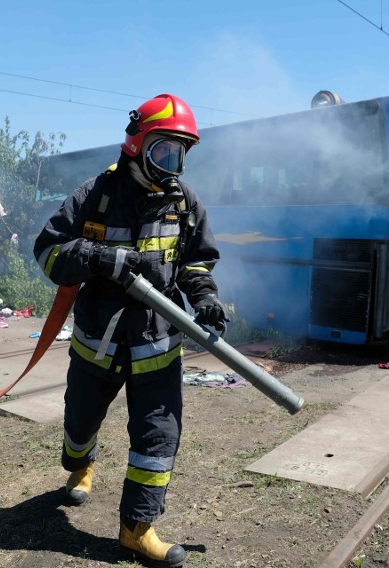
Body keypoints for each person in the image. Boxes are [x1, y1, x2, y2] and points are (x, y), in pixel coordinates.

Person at [33, 93, 228, 567]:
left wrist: (203, 296)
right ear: (138, 144)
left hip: (158, 345)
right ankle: (80, 465)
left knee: (158, 440)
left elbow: (196, 262)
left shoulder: (184, 202)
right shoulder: (94, 194)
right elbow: (48, 253)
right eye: (164, 150)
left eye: (180, 152)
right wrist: (101, 257)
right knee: (79, 424)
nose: (173, 164)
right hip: (98, 343)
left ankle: (136, 530)